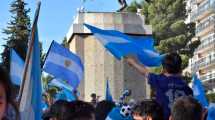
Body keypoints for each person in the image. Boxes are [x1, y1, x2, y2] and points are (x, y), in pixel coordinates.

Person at [126, 52, 193, 120]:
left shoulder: (160, 80)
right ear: (180, 69)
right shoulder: (187, 89)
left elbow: (145, 72)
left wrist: (132, 62)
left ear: (164, 69)